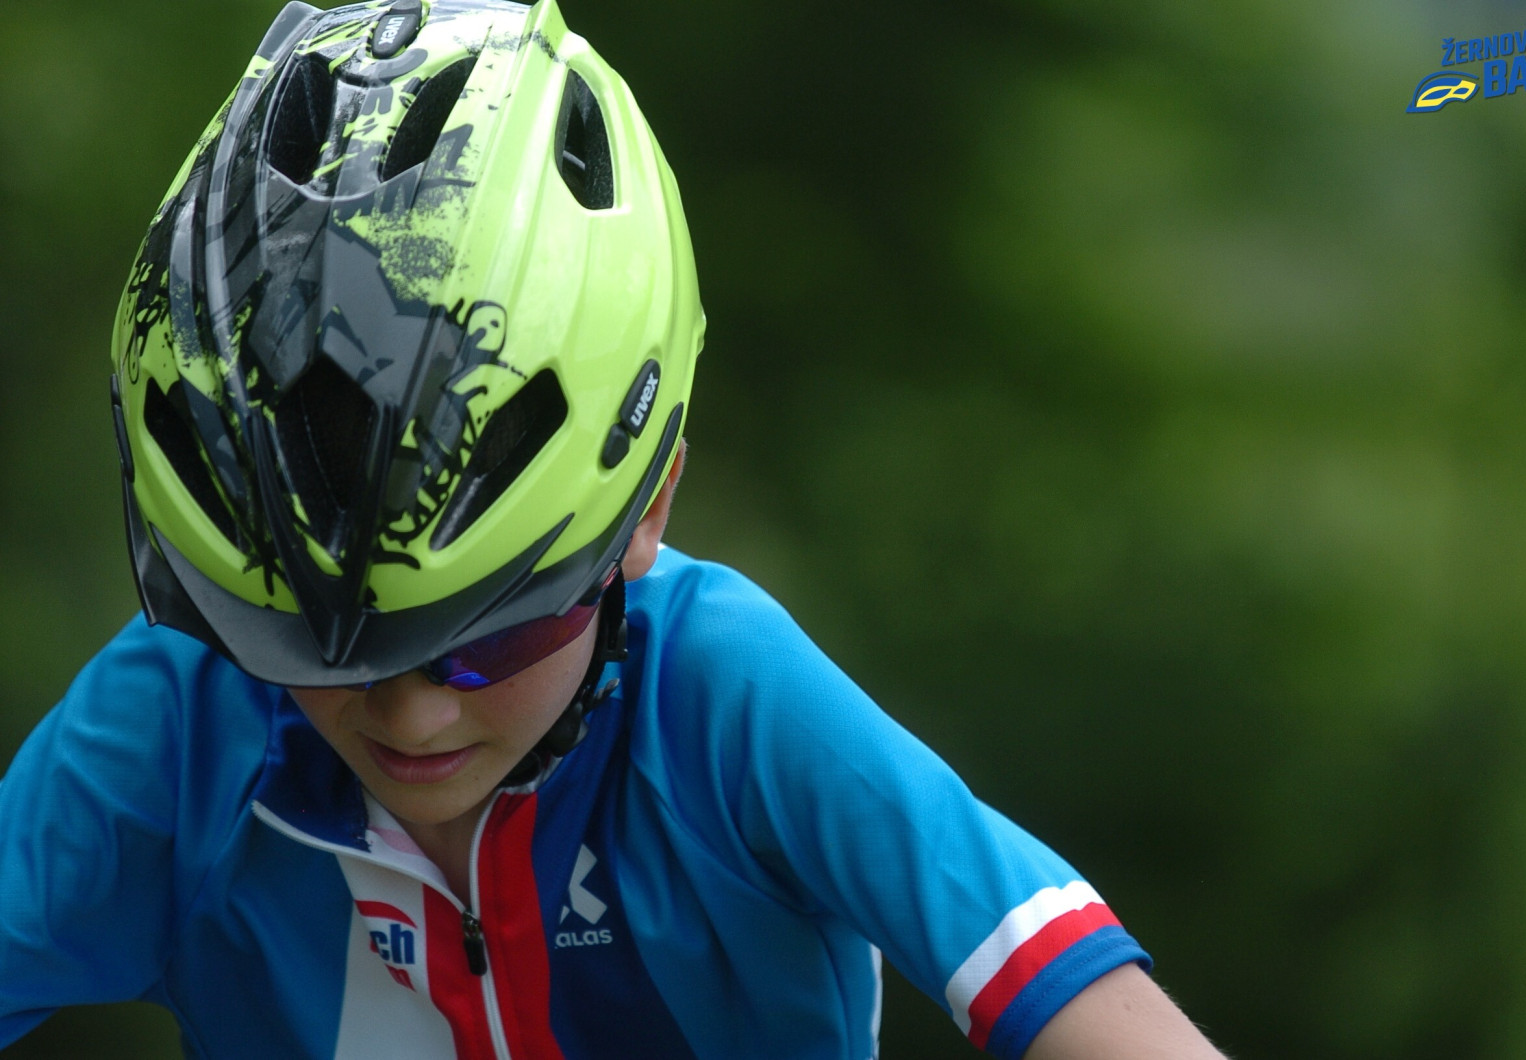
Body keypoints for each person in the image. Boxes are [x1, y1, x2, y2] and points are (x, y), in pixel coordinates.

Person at [0, 1, 1227, 1057]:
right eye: (311, 654)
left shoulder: (722, 698)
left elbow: (1094, 1009)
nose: (411, 715)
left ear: (648, 512)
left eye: (485, 639)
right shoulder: (174, 727)